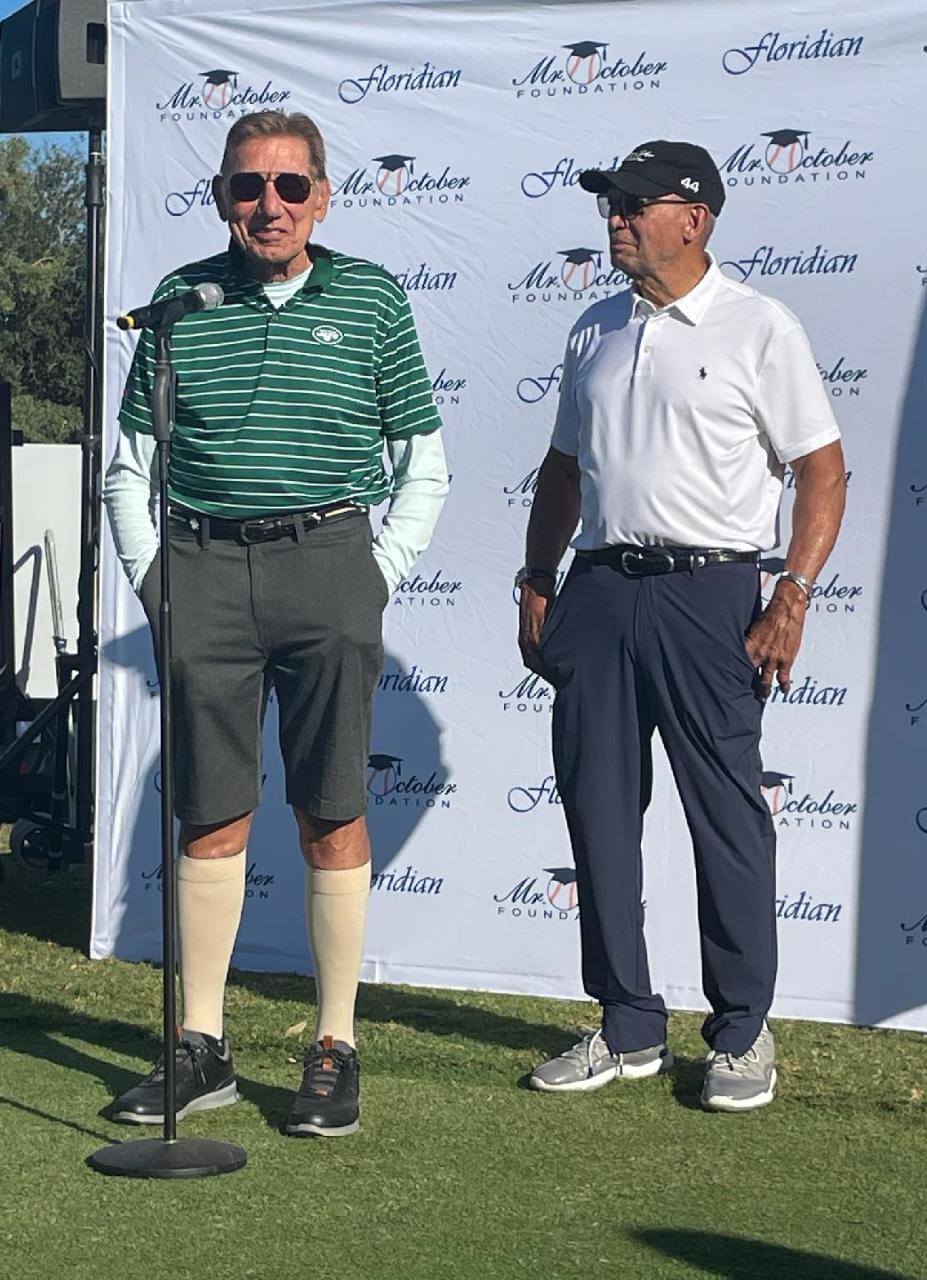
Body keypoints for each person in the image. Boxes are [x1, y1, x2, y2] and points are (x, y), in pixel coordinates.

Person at [103, 110, 448, 1137]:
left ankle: (333, 1043)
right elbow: (132, 464)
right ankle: (199, 1047)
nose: (271, 204)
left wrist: (373, 575)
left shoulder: (374, 300)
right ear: (220, 197)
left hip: (330, 561)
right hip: (199, 565)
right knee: (210, 812)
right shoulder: (178, 302)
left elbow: (421, 458)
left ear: (324, 197)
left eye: (292, 186)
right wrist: (157, 580)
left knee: (332, 808)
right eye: (249, 186)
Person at [516, 141, 846, 1111]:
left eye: (632, 203)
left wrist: (792, 591)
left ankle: (742, 1029)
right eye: (609, 204)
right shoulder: (595, 328)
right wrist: (539, 575)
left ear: (694, 217)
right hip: (599, 589)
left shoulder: (758, 327)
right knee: (598, 808)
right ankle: (627, 1020)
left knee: (727, 812)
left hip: (711, 596)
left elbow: (822, 470)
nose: (613, 218)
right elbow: (562, 473)